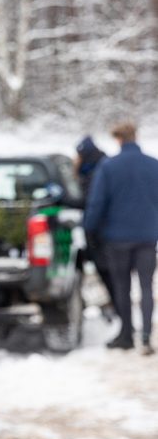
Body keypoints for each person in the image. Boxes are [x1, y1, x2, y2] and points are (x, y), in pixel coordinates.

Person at [83, 122, 158, 355]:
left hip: (117, 238)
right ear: (136, 137)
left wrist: (89, 228)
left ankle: (126, 334)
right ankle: (146, 335)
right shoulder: (154, 165)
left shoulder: (108, 167)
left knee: (122, 287)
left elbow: (97, 203)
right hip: (147, 236)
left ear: (118, 140)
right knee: (146, 287)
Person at [74, 135, 115, 315]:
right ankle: (117, 307)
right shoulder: (102, 165)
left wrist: (89, 227)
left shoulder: (95, 171)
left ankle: (118, 308)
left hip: (102, 231)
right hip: (106, 230)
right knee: (108, 271)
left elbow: (91, 202)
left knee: (108, 271)